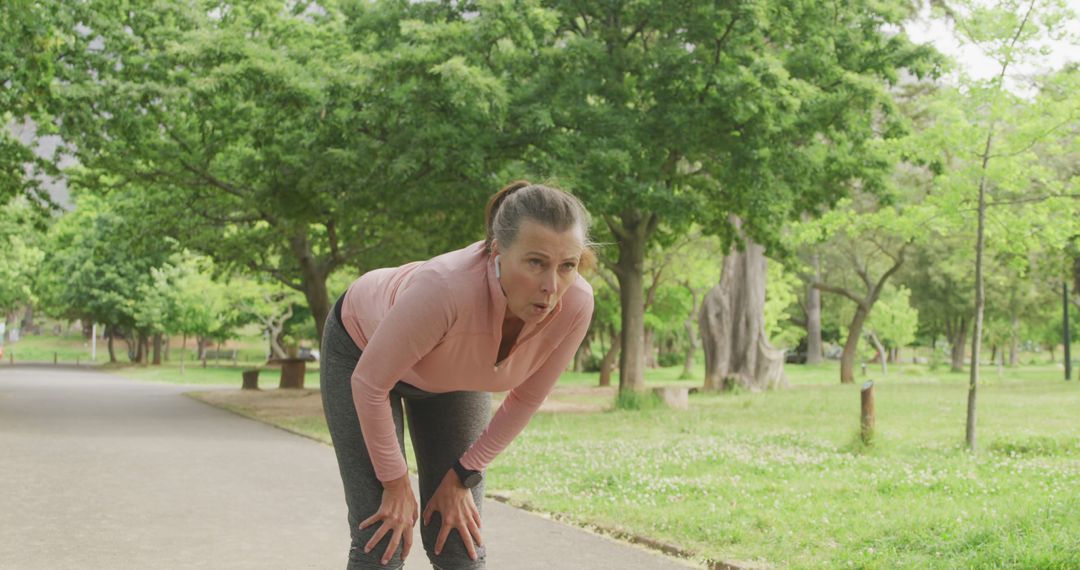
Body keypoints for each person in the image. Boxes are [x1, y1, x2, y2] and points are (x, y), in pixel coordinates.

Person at [321, 181, 596, 569]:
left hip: (450, 379)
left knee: (458, 539)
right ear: (498, 252)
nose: (551, 286)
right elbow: (369, 385)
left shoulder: (576, 305)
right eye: (535, 263)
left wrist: (462, 475)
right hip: (362, 353)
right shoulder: (445, 287)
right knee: (382, 538)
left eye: (567, 266)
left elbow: (527, 398)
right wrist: (395, 482)